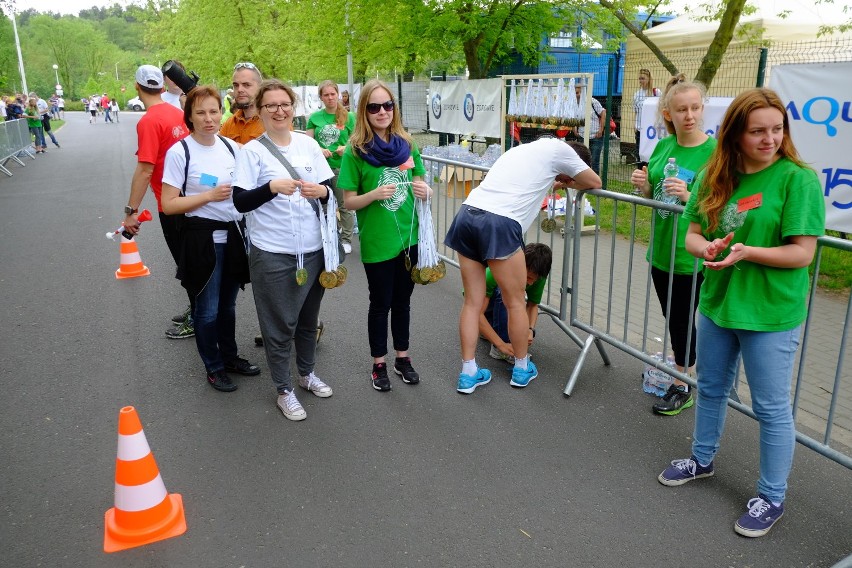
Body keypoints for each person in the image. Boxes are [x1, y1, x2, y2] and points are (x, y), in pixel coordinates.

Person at [657, 88, 825, 538]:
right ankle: (702, 459)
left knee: (771, 408)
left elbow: (802, 254)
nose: (770, 139)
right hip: (717, 305)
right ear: (736, 133)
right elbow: (693, 233)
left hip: (769, 313)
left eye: (777, 129)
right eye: (758, 131)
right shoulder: (719, 173)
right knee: (710, 388)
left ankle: (772, 497)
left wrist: (747, 252)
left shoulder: (797, 179)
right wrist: (706, 247)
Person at [445, 137, 601, 394]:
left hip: (468, 213)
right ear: (574, 162)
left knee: (472, 302)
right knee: (515, 300)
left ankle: (468, 373)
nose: (566, 179)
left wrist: (557, 181)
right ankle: (521, 367)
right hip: (500, 222)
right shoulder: (562, 151)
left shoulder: (525, 150)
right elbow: (594, 181)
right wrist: (571, 181)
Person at [232, 79, 335, 421]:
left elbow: (330, 187)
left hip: (313, 249)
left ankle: (306, 374)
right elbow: (240, 201)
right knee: (278, 326)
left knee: (308, 321)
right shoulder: (252, 151)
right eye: (271, 105)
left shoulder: (307, 145)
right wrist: (271, 187)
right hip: (273, 252)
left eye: (285, 104)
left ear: (294, 108)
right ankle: (284, 390)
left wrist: (322, 193)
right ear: (260, 111)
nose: (279, 111)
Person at [161, 85, 257, 392]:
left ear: (222, 112)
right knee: (208, 308)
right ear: (189, 116)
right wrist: (208, 197)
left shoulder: (232, 148)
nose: (208, 118)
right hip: (203, 240)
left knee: (228, 306)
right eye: (200, 112)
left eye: (214, 111)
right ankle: (213, 366)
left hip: (233, 237)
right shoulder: (181, 152)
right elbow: (169, 204)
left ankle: (229, 357)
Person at [630, 74, 716, 416]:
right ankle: (686, 370)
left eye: (695, 107)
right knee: (673, 317)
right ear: (669, 113)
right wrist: (643, 185)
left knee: (681, 319)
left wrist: (690, 194)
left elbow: (721, 206)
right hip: (661, 251)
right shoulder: (664, 147)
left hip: (690, 255)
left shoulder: (714, 152)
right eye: (682, 109)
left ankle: (684, 383)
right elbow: (655, 194)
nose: (690, 115)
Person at [338, 79, 431, 393]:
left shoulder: (407, 143)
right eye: (374, 106)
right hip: (378, 239)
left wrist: (425, 189)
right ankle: (379, 362)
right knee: (380, 304)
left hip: (409, 237)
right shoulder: (355, 151)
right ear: (364, 110)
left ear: (395, 108)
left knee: (403, 302)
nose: (382, 112)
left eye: (387, 105)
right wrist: (374, 194)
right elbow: (348, 201)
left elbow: (421, 182)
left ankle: (402, 358)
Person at [121, 64, 193, 339]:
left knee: (186, 263)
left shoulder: (149, 121)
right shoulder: (177, 113)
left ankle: (199, 317)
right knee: (190, 260)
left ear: (138, 88)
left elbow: (145, 168)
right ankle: (197, 309)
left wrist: (131, 212)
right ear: (162, 87)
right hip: (188, 198)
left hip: (171, 204)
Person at [478, 243, 552, 365]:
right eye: (528, 278)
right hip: (482, 305)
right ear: (521, 266)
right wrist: (500, 344)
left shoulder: (538, 276)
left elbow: (533, 305)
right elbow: (476, 314)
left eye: (535, 279)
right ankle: (499, 348)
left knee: (516, 299)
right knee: (508, 292)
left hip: (492, 307)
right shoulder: (495, 273)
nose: (531, 283)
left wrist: (530, 329)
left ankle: (495, 333)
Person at [306, 80, 357, 254]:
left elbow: (357, 140)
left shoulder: (349, 116)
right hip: (321, 168)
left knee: (344, 205)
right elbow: (308, 142)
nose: (330, 98)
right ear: (321, 97)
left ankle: (346, 239)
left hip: (341, 167)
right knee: (326, 204)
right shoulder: (314, 118)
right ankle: (331, 235)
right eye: (326, 95)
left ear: (338, 94)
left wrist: (347, 148)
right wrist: (319, 149)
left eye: (332, 94)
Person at [220, 62, 265, 144]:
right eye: (236, 85)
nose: (240, 89)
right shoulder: (229, 124)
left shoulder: (274, 121)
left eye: (246, 85)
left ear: (260, 88)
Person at [574, 83, 606, 173]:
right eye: (576, 93)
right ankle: (584, 181)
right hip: (582, 135)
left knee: (595, 161)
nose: (577, 95)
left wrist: (601, 129)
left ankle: (595, 183)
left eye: (578, 93)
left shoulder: (592, 101)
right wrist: (575, 128)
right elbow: (574, 117)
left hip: (595, 135)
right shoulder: (574, 104)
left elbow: (603, 113)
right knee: (582, 161)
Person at [632, 68, 661, 163]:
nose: (641, 81)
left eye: (643, 78)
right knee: (640, 154)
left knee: (653, 152)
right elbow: (636, 111)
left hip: (653, 129)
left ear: (649, 79)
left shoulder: (656, 92)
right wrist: (635, 125)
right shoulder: (637, 94)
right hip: (640, 129)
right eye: (639, 78)